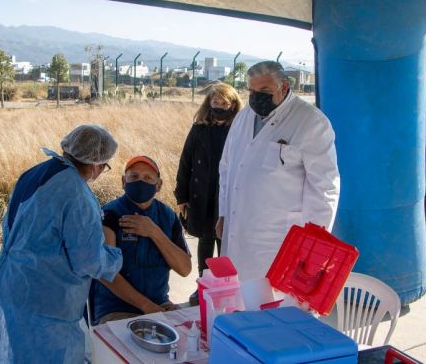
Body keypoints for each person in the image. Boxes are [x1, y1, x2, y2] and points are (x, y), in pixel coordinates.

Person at [0, 125, 123, 364]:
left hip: (15, 284)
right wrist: (114, 256)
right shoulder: (77, 194)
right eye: (104, 166)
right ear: (96, 164)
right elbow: (88, 260)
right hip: (47, 302)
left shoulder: (35, 173)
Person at [216, 61, 340, 282]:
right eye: (252, 91)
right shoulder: (244, 117)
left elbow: (324, 188)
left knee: (274, 303)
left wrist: (313, 246)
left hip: (278, 236)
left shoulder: (310, 121)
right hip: (237, 229)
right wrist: (224, 213)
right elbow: (227, 168)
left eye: (264, 91)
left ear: (283, 87)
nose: (256, 97)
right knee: (236, 300)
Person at [92, 156, 192, 324]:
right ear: (123, 181)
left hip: (160, 305)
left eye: (147, 178)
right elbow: (106, 272)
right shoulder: (109, 215)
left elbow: (185, 269)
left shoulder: (167, 216)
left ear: (158, 185)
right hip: (116, 309)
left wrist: (154, 232)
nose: (140, 182)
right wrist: (146, 306)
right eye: (134, 176)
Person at [174, 83, 243, 305]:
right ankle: (203, 286)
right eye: (215, 102)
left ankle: (224, 288)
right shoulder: (199, 129)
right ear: (209, 103)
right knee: (205, 241)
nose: (219, 107)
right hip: (201, 195)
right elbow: (185, 163)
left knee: (225, 242)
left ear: (233, 105)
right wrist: (181, 197)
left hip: (227, 197)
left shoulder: (239, 131)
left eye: (224, 103)